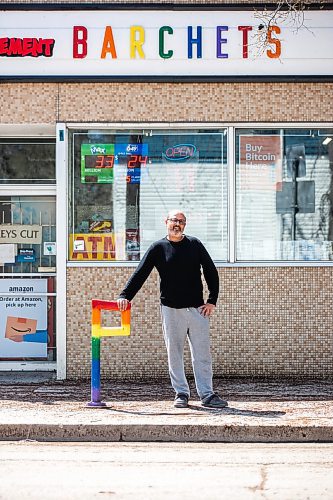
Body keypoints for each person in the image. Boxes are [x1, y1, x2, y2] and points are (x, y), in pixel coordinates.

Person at [117, 210, 228, 409]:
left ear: (185, 225)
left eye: (181, 221)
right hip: (170, 309)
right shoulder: (158, 248)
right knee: (174, 353)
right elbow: (140, 272)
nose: (177, 224)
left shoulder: (195, 244)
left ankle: (207, 395)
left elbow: (211, 271)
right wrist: (125, 295)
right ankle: (181, 393)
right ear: (166, 221)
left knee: (202, 355)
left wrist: (212, 300)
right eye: (174, 220)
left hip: (197, 310)